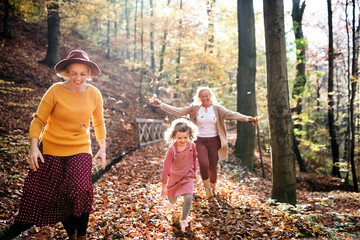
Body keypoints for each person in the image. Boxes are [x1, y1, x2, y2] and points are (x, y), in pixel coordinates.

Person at [12, 50, 106, 240]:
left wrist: (102, 147)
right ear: (66, 72)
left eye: (82, 74)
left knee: (80, 189)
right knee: (59, 196)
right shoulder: (55, 90)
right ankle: (71, 235)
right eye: (73, 73)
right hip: (52, 148)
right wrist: (34, 146)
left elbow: (99, 123)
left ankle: (82, 236)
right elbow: (38, 121)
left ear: (88, 74)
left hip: (80, 147)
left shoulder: (94, 94)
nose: (78, 78)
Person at [151, 86, 257, 199]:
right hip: (199, 140)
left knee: (213, 166)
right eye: (202, 96)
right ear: (199, 98)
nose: (205, 98)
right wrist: (161, 105)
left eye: (206, 96)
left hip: (214, 141)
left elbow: (232, 114)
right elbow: (179, 111)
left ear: (210, 96)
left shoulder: (218, 109)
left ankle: (213, 188)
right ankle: (207, 189)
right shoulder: (195, 108)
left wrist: (247, 118)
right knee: (204, 163)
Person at [161, 118, 198, 232]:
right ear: (174, 136)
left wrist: (196, 170)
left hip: (188, 175)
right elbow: (166, 167)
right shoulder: (172, 149)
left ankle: (183, 219)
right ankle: (171, 203)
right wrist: (164, 185)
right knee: (172, 200)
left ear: (189, 135)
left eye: (185, 137)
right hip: (175, 177)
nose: (183, 140)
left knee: (188, 197)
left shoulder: (192, 146)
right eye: (179, 138)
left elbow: (195, 158)